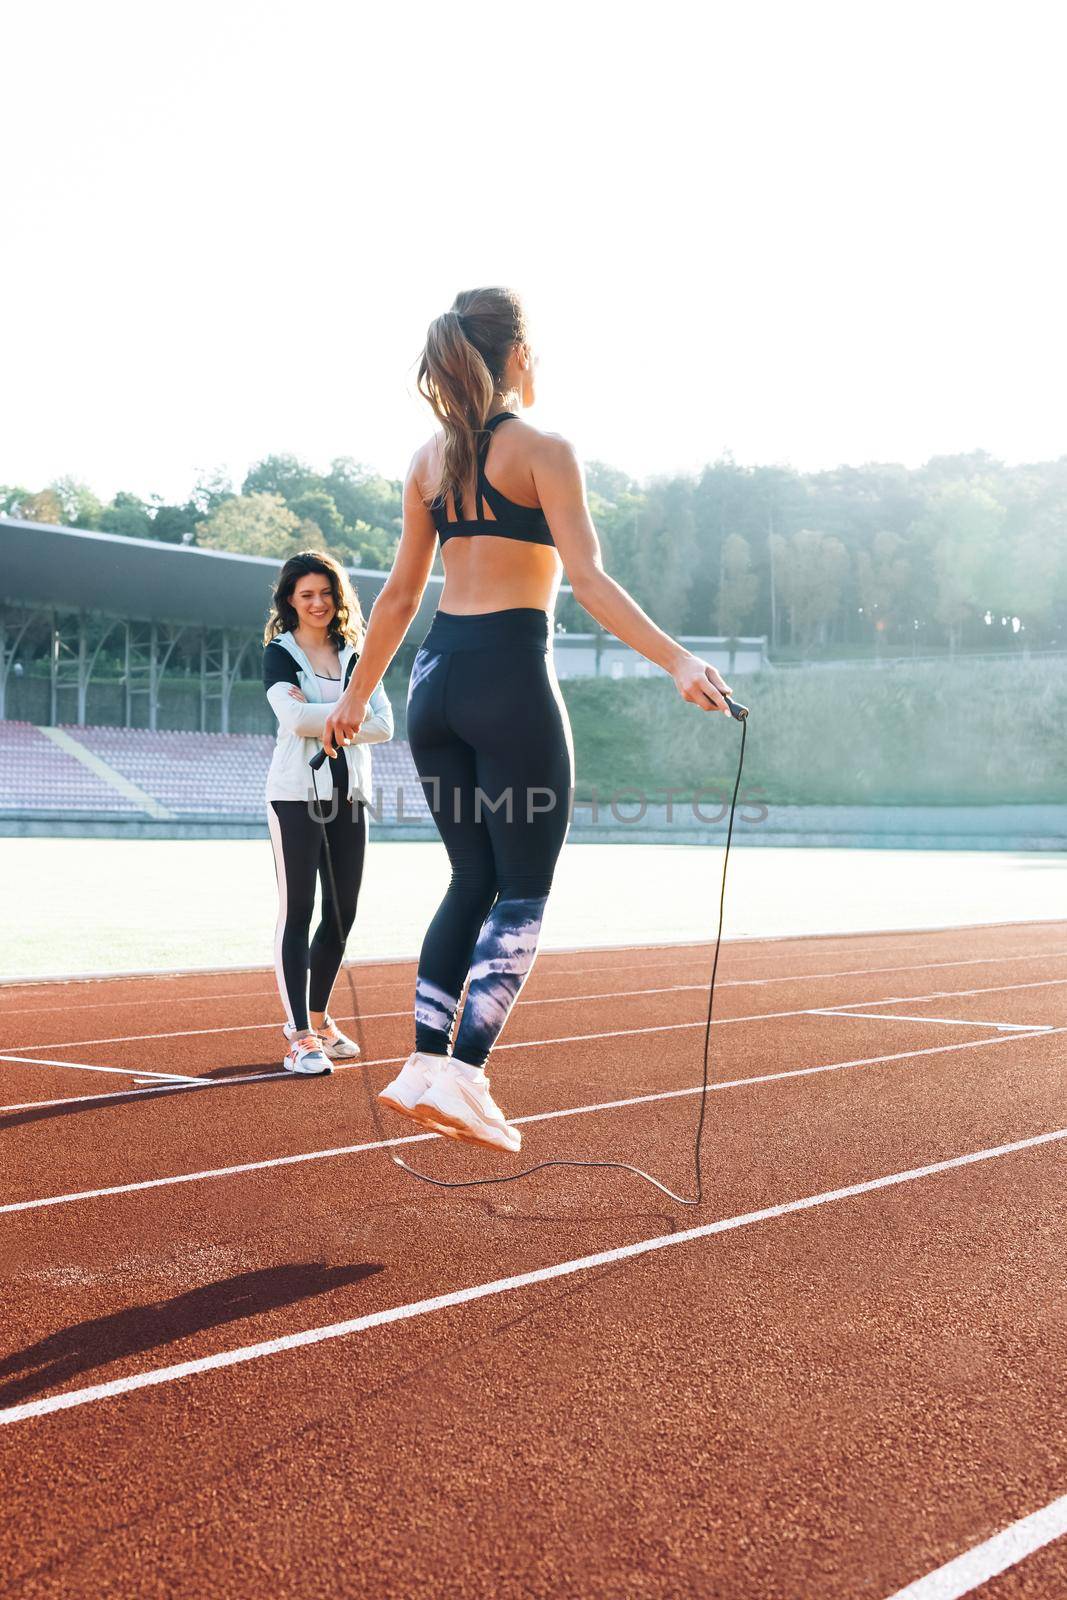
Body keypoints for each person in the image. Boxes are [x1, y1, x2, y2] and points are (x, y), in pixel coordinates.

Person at [322, 285, 732, 1149]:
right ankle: (465, 1076)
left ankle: (423, 1063)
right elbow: (587, 582)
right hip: (509, 679)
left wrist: (356, 697)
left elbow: (397, 597)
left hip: (435, 683)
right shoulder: (544, 449)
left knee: (469, 882)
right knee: (523, 895)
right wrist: (679, 662)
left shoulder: (428, 461)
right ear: (513, 355)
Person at [263, 550, 394, 1076]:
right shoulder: (280, 653)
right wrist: (348, 711)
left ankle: (318, 1016)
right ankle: (297, 1035)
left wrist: (331, 716)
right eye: (306, 594)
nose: (318, 603)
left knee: (342, 915)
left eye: (326, 593)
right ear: (290, 601)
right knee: (297, 912)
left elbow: (385, 725)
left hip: (350, 799)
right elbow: (293, 720)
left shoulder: (359, 655)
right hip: (296, 796)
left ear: (338, 597)